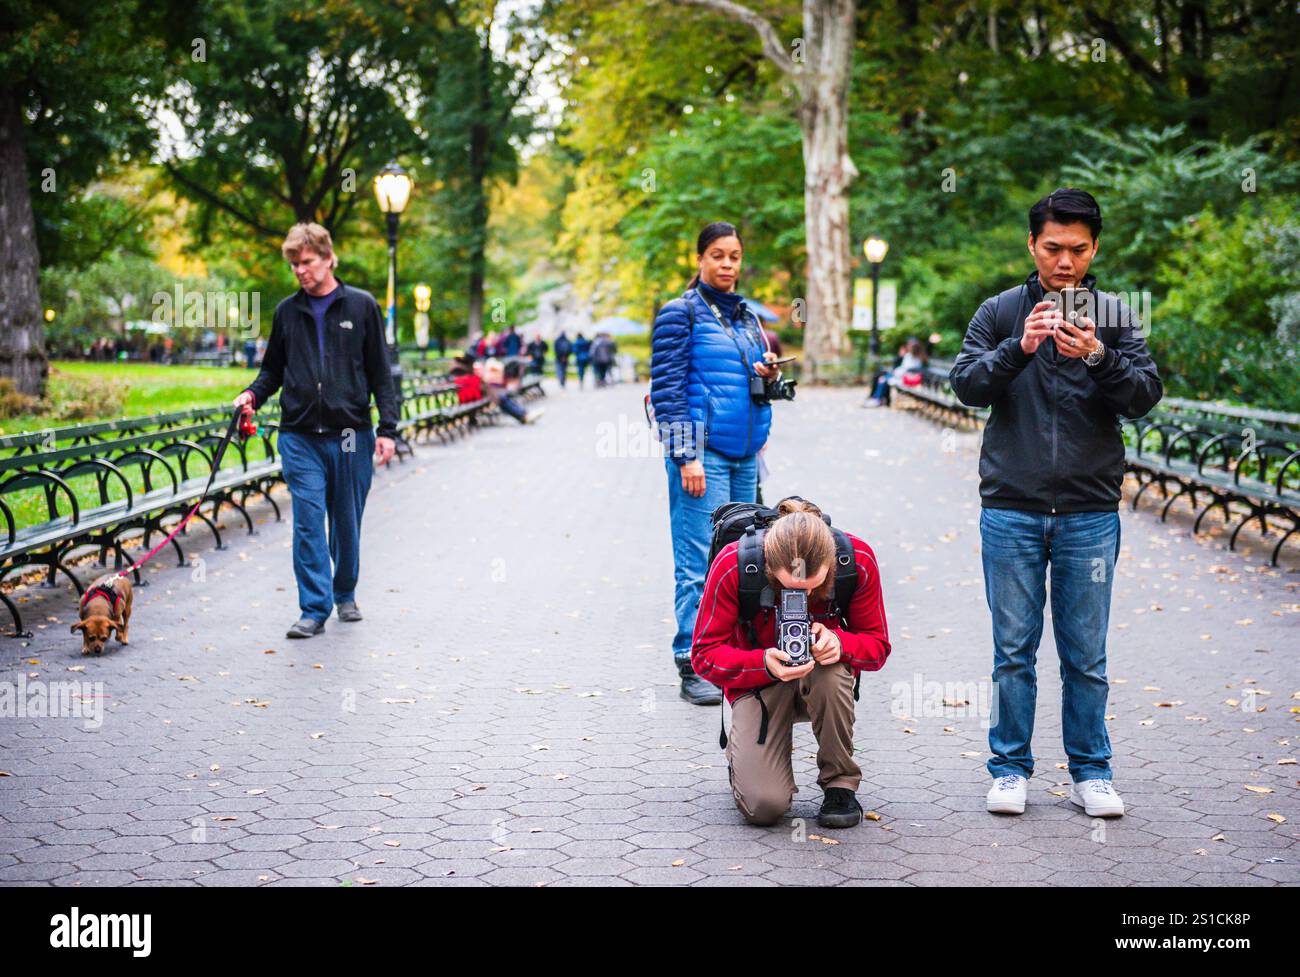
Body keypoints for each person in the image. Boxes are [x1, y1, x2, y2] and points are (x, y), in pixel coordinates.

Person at [949, 188, 1163, 819]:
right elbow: (964, 384)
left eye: (1077, 249)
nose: (1064, 262)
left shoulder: (1116, 315)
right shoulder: (1000, 310)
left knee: (1086, 655)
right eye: (1052, 248)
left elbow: (1145, 394)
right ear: (1032, 246)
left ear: (1094, 248)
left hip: (1089, 511)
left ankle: (1092, 772)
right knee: (1012, 650)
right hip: (1011, 507)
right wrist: (1020, 347)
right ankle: (1010, 769)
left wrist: (1097, 355)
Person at [233, 222, 398, 639]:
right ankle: (313, 608)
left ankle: (345, 592)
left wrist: (388, 428)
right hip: (300, 435)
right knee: (308, 521)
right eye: (294, 265)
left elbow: (381, 374)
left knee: (345, 523)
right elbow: (272, 370)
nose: (300, 271)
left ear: (328, 258)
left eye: (307, 262)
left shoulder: (361, 307)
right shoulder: (288, 311)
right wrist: (251, 394)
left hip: (350, 435)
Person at [692, 498, 890, 828]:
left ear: (831, 565)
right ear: (770, 565)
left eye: (812, 590)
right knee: (763, 808)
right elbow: (703, 654)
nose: (801, 599)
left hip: (822, 679)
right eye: (789, 588)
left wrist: (841, 643)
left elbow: (878, 646)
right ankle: (747, 762)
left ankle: (840, 783)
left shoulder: (856, 559)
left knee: (831, 672)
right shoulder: (735, 564)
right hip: (758, 681)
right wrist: (763, 662)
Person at [650, 220, 783, 705]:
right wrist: (685, 455)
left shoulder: (748, 318)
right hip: (701, 454)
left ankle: (732, 659)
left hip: (744, 454)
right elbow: (667, 390)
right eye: (718, 256)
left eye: (735, 256)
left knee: (742, 562)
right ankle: (692, 663)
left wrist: (765, 378)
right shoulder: (679, 314)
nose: (728, 264)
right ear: (700, 259)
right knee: (698, 564)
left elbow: (750, 386)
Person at [863, 336, 927, 407]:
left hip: (906, 378)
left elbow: (907, 369)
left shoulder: (916, 358)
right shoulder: (910, 356)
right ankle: (877, 398)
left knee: (882, 379)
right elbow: (901, 366)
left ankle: (877, 399)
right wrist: (900, 356)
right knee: (880, 377)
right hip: (902, 376)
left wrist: (897, 372)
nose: (908, 347)